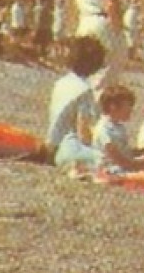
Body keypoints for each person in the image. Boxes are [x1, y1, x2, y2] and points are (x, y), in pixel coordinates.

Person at [45, 36, 106, 173]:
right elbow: (82, 129)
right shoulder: (85, 90)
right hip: (67, 147)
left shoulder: (61, 82)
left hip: (51, 143)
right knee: (106, 158)